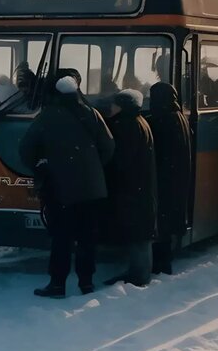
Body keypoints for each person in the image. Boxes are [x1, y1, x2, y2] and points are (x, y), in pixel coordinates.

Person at [21, 75, 115, 298]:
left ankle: (57, 284)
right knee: (87, 237)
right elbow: (108, 146)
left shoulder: (47, 117)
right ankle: (86, 282)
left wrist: (41, 167)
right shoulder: (92, 113)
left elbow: (26, 149)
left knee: (61, 238)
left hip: (59, 188)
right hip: (91, 188)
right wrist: (92, 167)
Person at [103, 89, 156, 287]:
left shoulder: (126, 125)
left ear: (123, 106)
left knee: (137, 232)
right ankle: (139, 272)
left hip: (132, 186)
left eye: (115, 104)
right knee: (140, 231)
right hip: (140, 186)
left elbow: (121, 160)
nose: (111, 107)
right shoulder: (139, 121)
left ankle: (139, 276)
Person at [146, 83, 190, 276]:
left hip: (163, 176)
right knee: (169, 218)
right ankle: (165, 259)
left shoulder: (160, 120)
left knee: (161, 222)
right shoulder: (179, 116)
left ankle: (160, 263)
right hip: (177, 175)